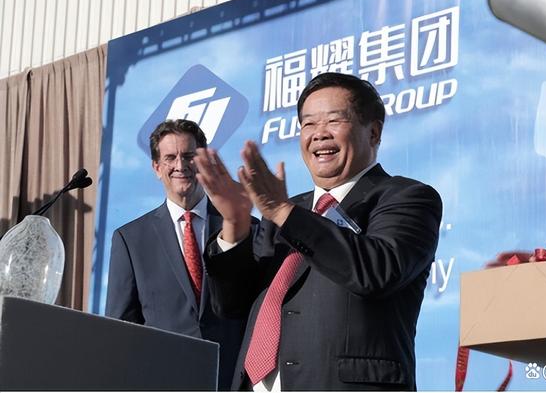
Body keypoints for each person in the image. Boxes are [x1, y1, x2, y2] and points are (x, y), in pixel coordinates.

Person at [193, 72, 442, 391]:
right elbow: (231, 305)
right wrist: (235, 225)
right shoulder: (284, 212)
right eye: (308, 124)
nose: (319, 134)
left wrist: (283, 211)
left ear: (374, 132)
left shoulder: (407, 197)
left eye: (334, 121)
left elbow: (377, 271)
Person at [105, 119, 248, 391]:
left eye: (189, 156)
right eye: (170, 158)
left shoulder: (244, 227)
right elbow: (121, 329)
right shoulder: (130, 240)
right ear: (156, 168)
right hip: (163, 381)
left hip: (234, 379)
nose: (180, 166)